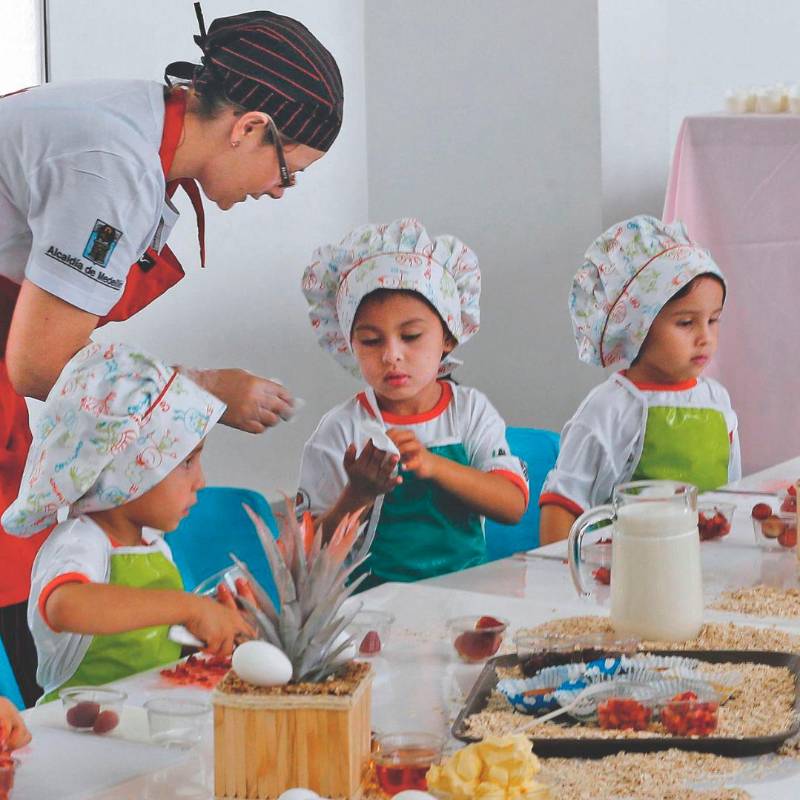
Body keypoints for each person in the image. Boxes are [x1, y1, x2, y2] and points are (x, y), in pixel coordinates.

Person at [0, 8, 343, 704]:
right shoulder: (114, 167)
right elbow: (38, 366)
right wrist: (203, 390)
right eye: (288, 172)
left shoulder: (140, 133)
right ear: (247, 127)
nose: (278, 191)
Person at [1, 342, 252, 701]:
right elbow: (64, 606)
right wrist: (189, 608)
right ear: (125, 472)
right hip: (78, 731)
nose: (201, 481)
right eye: (186, 462)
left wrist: (205, 628)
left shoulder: (149, 544)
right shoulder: (82, 541)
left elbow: (140, 641)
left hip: (138, 719)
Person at [297, 218, 529, 589]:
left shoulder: (469, 412)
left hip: (468, 602)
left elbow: (511, 504)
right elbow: (304, 554)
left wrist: (432, 465)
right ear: (348, 345)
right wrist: (358, 493)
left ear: (448, 337)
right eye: (371, 341)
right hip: (373, 614)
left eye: (411, 336)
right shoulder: (341, 429)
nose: (392, 355)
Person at [539, 215, 741, 544]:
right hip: (626, 580)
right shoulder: (609, 408)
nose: (705, 337)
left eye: (714, 320)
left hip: (703, 574)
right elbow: (561, 507)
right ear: (637, 327)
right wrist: (566, 586)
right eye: (686, 322)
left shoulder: (717, 401)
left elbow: (731, 496)